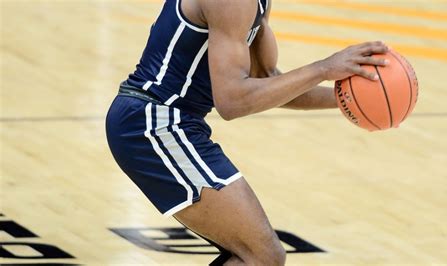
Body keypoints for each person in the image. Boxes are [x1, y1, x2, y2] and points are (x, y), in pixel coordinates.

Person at [106, 0, 389, 264]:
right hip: (153, 122)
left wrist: (350, 98)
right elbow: (232, 101)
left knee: (257, 255)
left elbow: (267, 83)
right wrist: (324, 68)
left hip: (169, 122)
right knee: (262, 254)